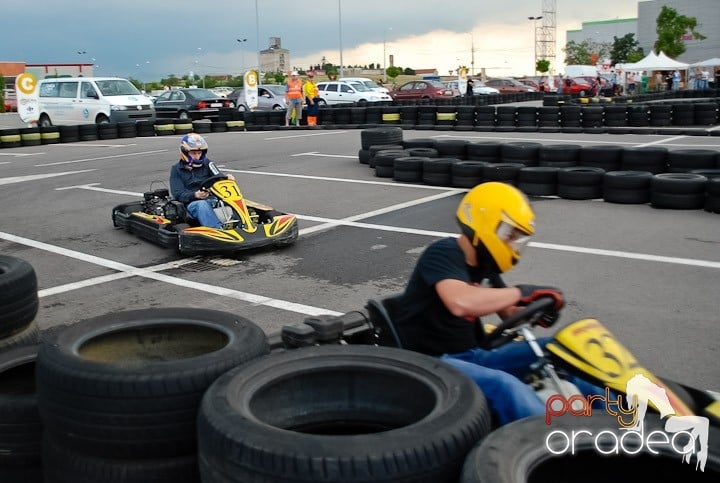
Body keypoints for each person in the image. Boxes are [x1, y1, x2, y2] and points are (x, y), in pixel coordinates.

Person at [391, 182, 570, 426]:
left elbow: (508, 312)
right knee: (504, 385)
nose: (512, 243)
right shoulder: (443, 253)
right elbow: (460, 302)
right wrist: (521, 292)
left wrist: (536, 310)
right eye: (510, 235)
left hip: (473, 355)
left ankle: (621, 411)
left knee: (560, 351)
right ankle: (559, 442)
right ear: (487, 222)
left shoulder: (484, 263)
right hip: (433, 361)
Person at [169, 133, 235, 229]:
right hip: (192, 203)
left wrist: (227, 178)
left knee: (232, 199)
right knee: (201, 204)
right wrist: (195, 195)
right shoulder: (176, 169)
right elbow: (178, 194)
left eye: (199, 153)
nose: (197, 157)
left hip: (212, 198)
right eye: (194, 153)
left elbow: (218, 177)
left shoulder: (207, 163)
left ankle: (245, 224)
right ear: (185, 152)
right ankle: (217, 229)